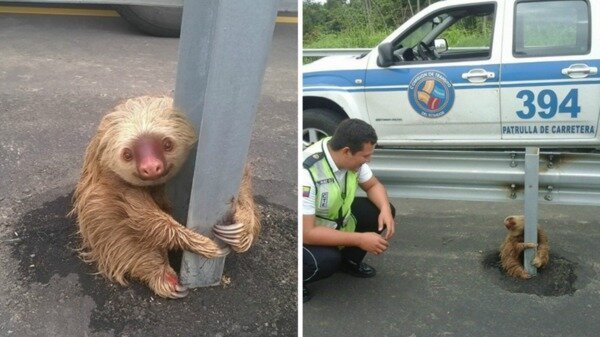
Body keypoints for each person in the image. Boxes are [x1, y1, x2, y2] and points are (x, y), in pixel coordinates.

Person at [302, 118, 396, 302]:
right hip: (307, 234)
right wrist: (360, 239)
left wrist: (385, 209)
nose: (368, 160)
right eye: (365, 156)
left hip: (335, 222)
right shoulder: (308, 172)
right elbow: (307, 233)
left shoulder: (348, 155)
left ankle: (348, 261)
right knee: (326, 261)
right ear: (346, 152)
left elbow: (373, 185)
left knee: (380, 212)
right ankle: (299, 280)